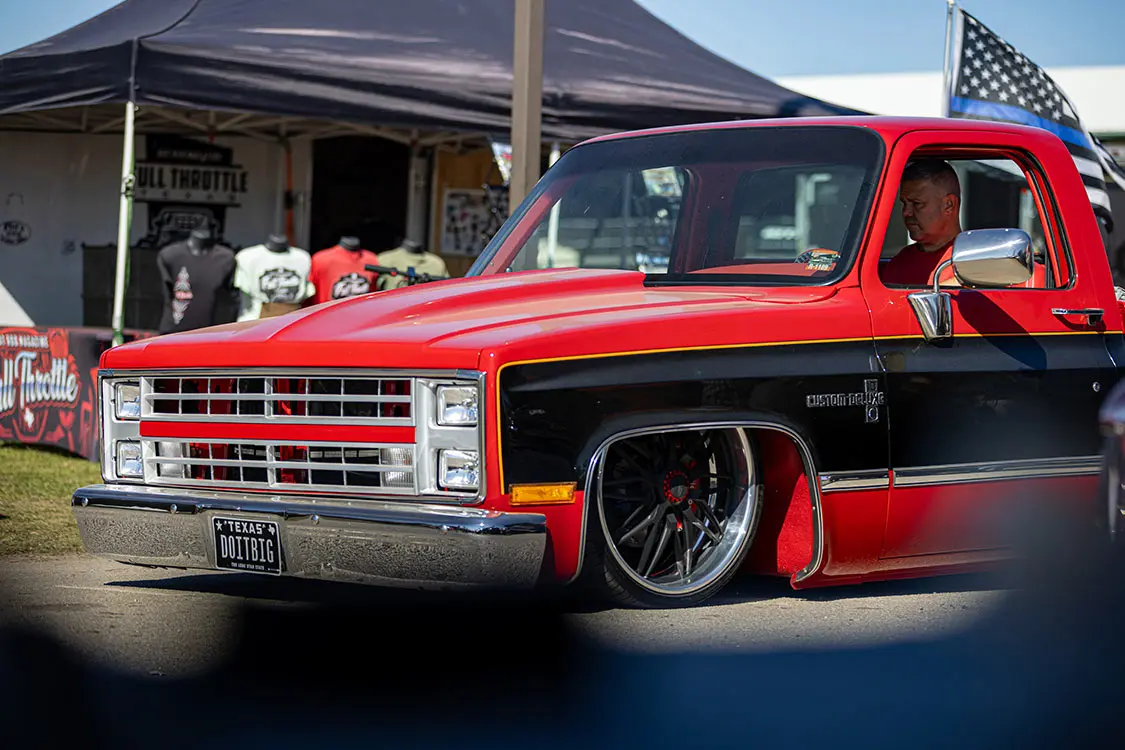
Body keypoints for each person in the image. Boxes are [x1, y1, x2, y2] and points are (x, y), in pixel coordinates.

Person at [880, 159, 963, 288]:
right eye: (904, 203)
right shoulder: (900, 262)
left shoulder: (974, 260)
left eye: (917, 203)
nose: (906, 212)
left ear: (949, 205)